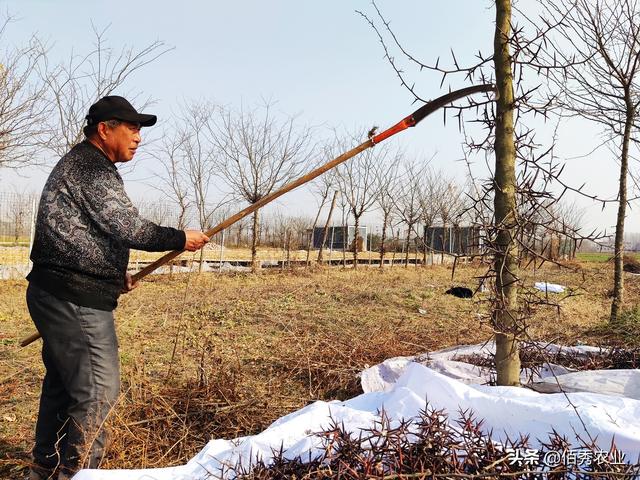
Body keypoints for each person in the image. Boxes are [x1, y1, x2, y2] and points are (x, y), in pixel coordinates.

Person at [26, 96, 209, 480]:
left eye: (140, 129)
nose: (138, 137)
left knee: (64, 386)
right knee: (96, 391)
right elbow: (130, 228)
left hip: (60, 288)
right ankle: (77, 474)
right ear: (104, 129)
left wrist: (109, 273)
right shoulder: (91, 168)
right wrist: (181, 237)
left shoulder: (83, 165)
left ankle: (45, 469)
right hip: (73, 297)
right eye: (131, 127)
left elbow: (84, 234)